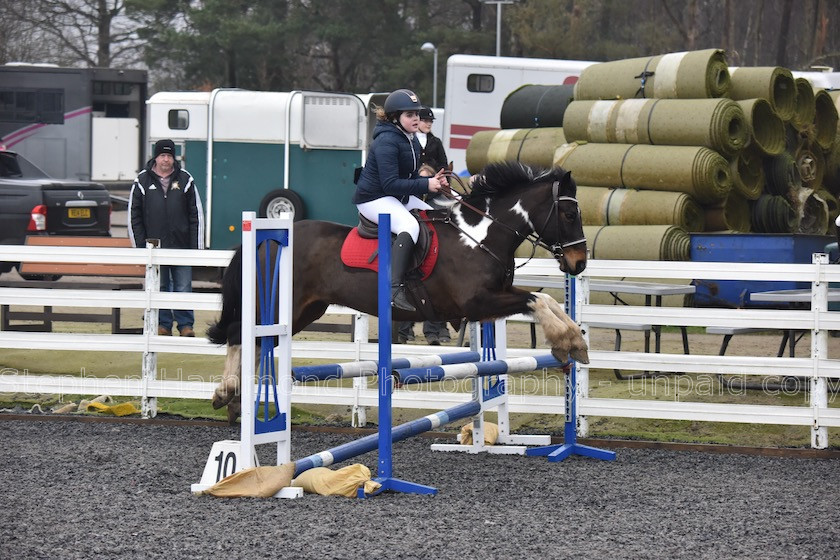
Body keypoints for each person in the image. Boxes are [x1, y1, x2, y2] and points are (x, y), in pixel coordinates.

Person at [353, 89, 447, 313]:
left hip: (396, 197)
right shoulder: (387, 141)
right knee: (410, 226)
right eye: (409, 115)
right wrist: (425, 185)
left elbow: (410, 177)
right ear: (395, 117)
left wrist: (433, 181)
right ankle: (393, 289)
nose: (416, 118)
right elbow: (390, 184)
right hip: (374, 198)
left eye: (417, 114)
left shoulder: (411, 140)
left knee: (438, 217)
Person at [128, 139, 204, 336]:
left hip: (182, 246)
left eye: (169, 156)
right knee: (159, 287)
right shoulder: (142, 181)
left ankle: (186, 325)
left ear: (174, 158)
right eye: (162, 155)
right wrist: (140, 248)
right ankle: (163, 325)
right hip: (154, 247)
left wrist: (197, 248)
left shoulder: (186, 180)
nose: (166, 160)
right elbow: (133, 215)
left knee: (183, 287)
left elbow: (197, 214)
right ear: (156, 157)